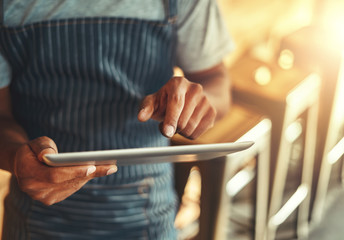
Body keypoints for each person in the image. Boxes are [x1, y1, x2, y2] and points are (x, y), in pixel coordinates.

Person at [0, 0, 234, 239]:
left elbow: (215, 82)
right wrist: (16, 158)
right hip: (34, 220)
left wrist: (198, 105)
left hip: (148, 215)